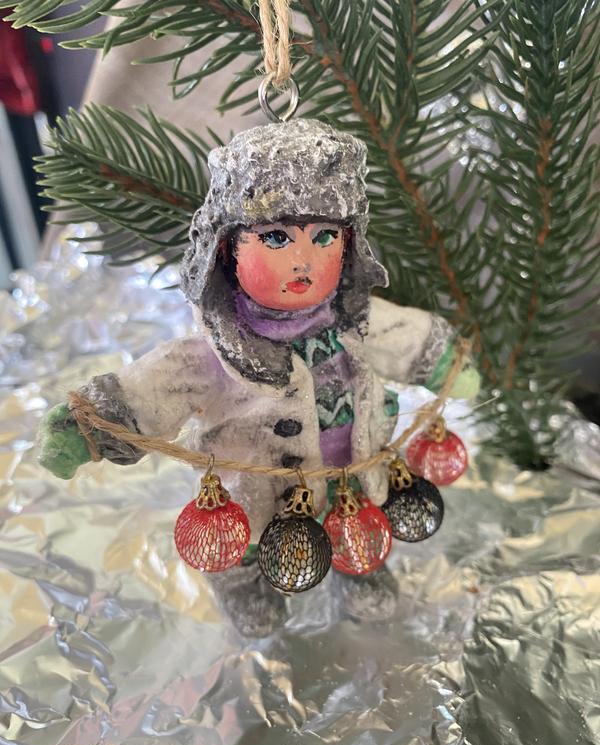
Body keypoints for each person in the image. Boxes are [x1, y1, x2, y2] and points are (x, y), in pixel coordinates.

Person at [38, 118, 479, 636]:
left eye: (324, 236)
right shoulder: (219, 350)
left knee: (352, 519)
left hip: (350, 474)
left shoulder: (357, 321)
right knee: (246, 535)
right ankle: (242, 582)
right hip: (257, 488)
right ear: (228, 247)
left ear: (349, 244)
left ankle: (358, 565)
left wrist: (443, 361)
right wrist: (89, 425)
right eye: (275, 237)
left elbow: (406, 336)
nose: (304, 261)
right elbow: (161, 383)